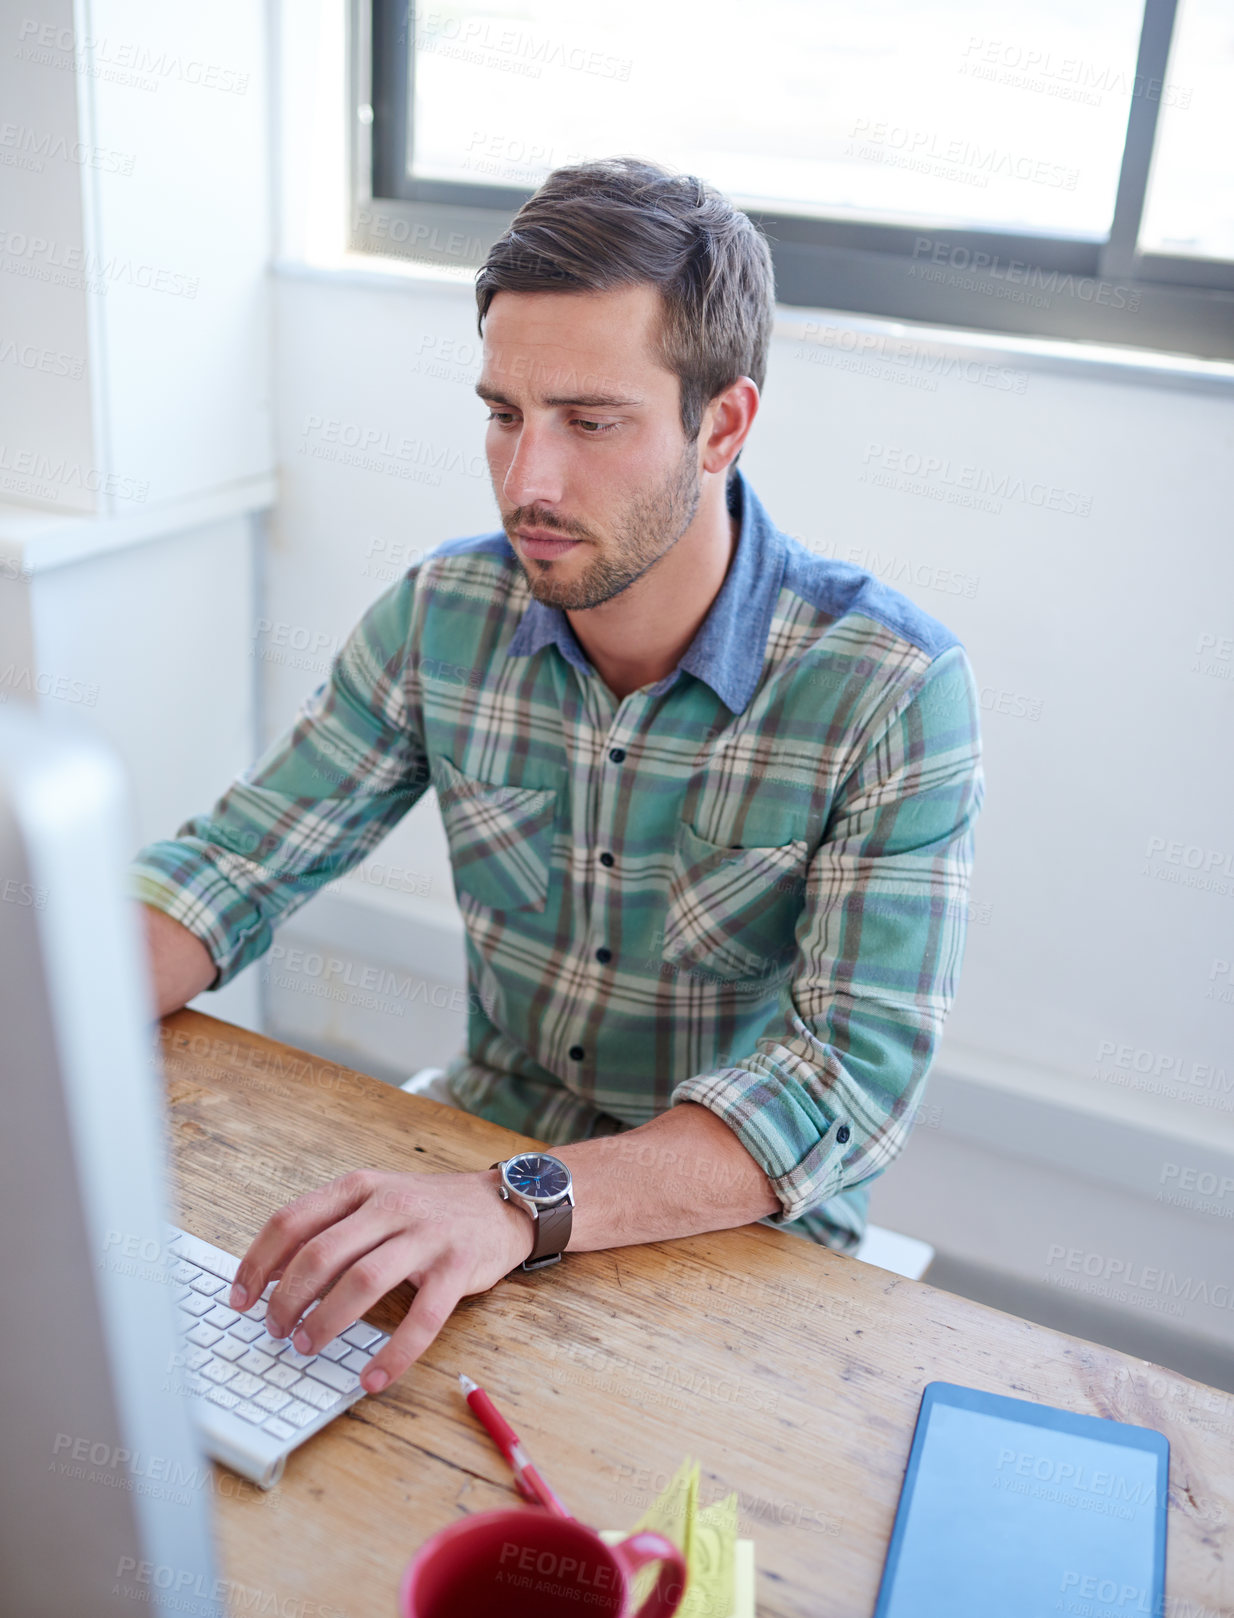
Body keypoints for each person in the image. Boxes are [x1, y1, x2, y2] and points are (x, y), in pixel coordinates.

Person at [133, 157, 984, 1395]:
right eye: (502, 414)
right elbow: (230, 866)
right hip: (476, 1149)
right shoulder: (441, 611)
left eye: (590, 422)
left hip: (728, 1241)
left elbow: (845, 1085)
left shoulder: (890, 687)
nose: (528, 480)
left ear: (722, 424)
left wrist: (513, 1201)